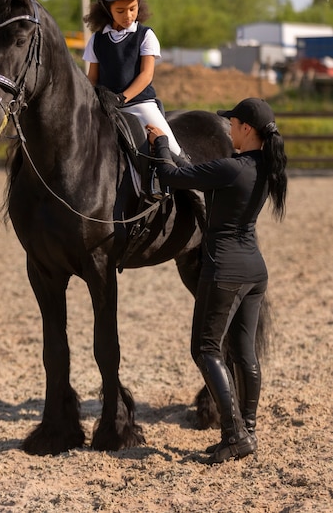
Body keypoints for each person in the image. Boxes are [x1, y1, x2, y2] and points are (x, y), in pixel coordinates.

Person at [146, 97, 288, 464]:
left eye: (233, 123)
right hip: (254, 270)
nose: (228, 128)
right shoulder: (263, 167)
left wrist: (162, 141)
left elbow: (172, 176)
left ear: (247, 129)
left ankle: (234, 434)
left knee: (205, 350)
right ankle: (248, 429)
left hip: (224, 269)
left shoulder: (232, 168)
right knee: (243, 352)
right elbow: (194, 170)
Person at [83, 0, 184, 159]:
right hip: (105, 108)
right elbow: (92, 78)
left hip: (140, 105)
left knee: (172, 150)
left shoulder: (145, 36)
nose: (128, 16)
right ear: (106, 8)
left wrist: (120, 98)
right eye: (120, 10)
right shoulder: (96, 40)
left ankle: (188, 181)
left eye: (132, 9)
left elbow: (146, 75)